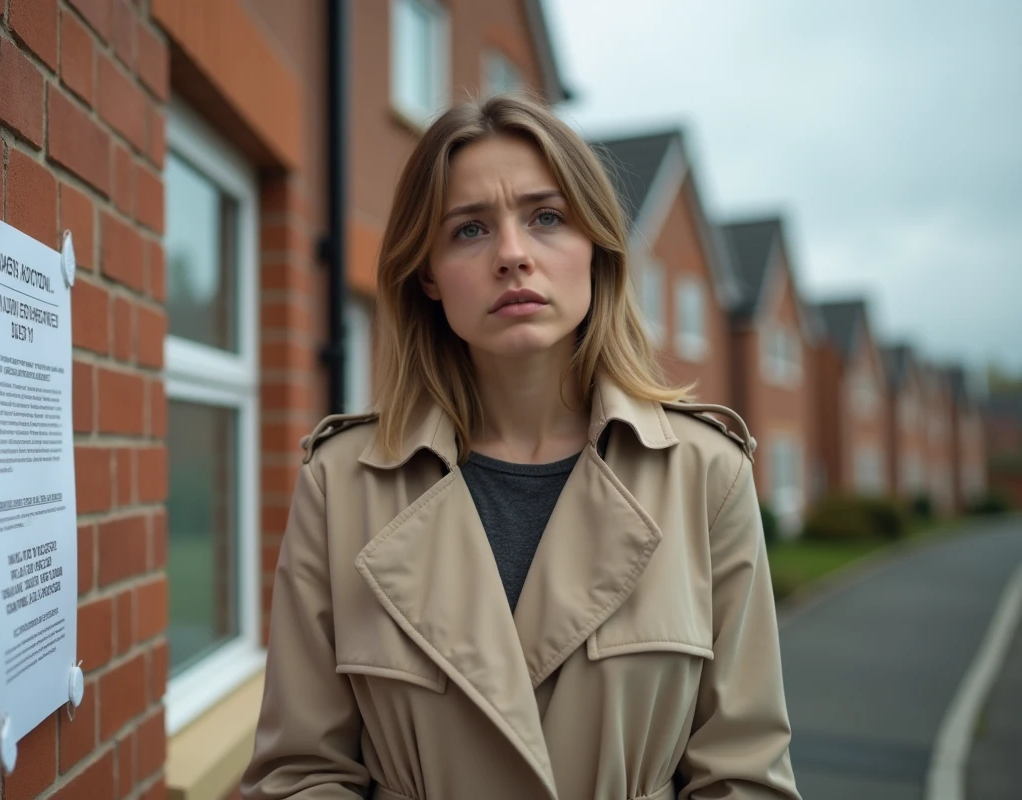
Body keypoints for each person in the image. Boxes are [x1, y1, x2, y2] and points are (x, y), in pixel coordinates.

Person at [241, 93, 800, 800]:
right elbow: (300, 774)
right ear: (428, 274)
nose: (512, 255)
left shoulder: (707, 475)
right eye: (470, 229)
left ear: (596, 249)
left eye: (547, 218)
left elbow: (744, 776)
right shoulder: (342, 484)